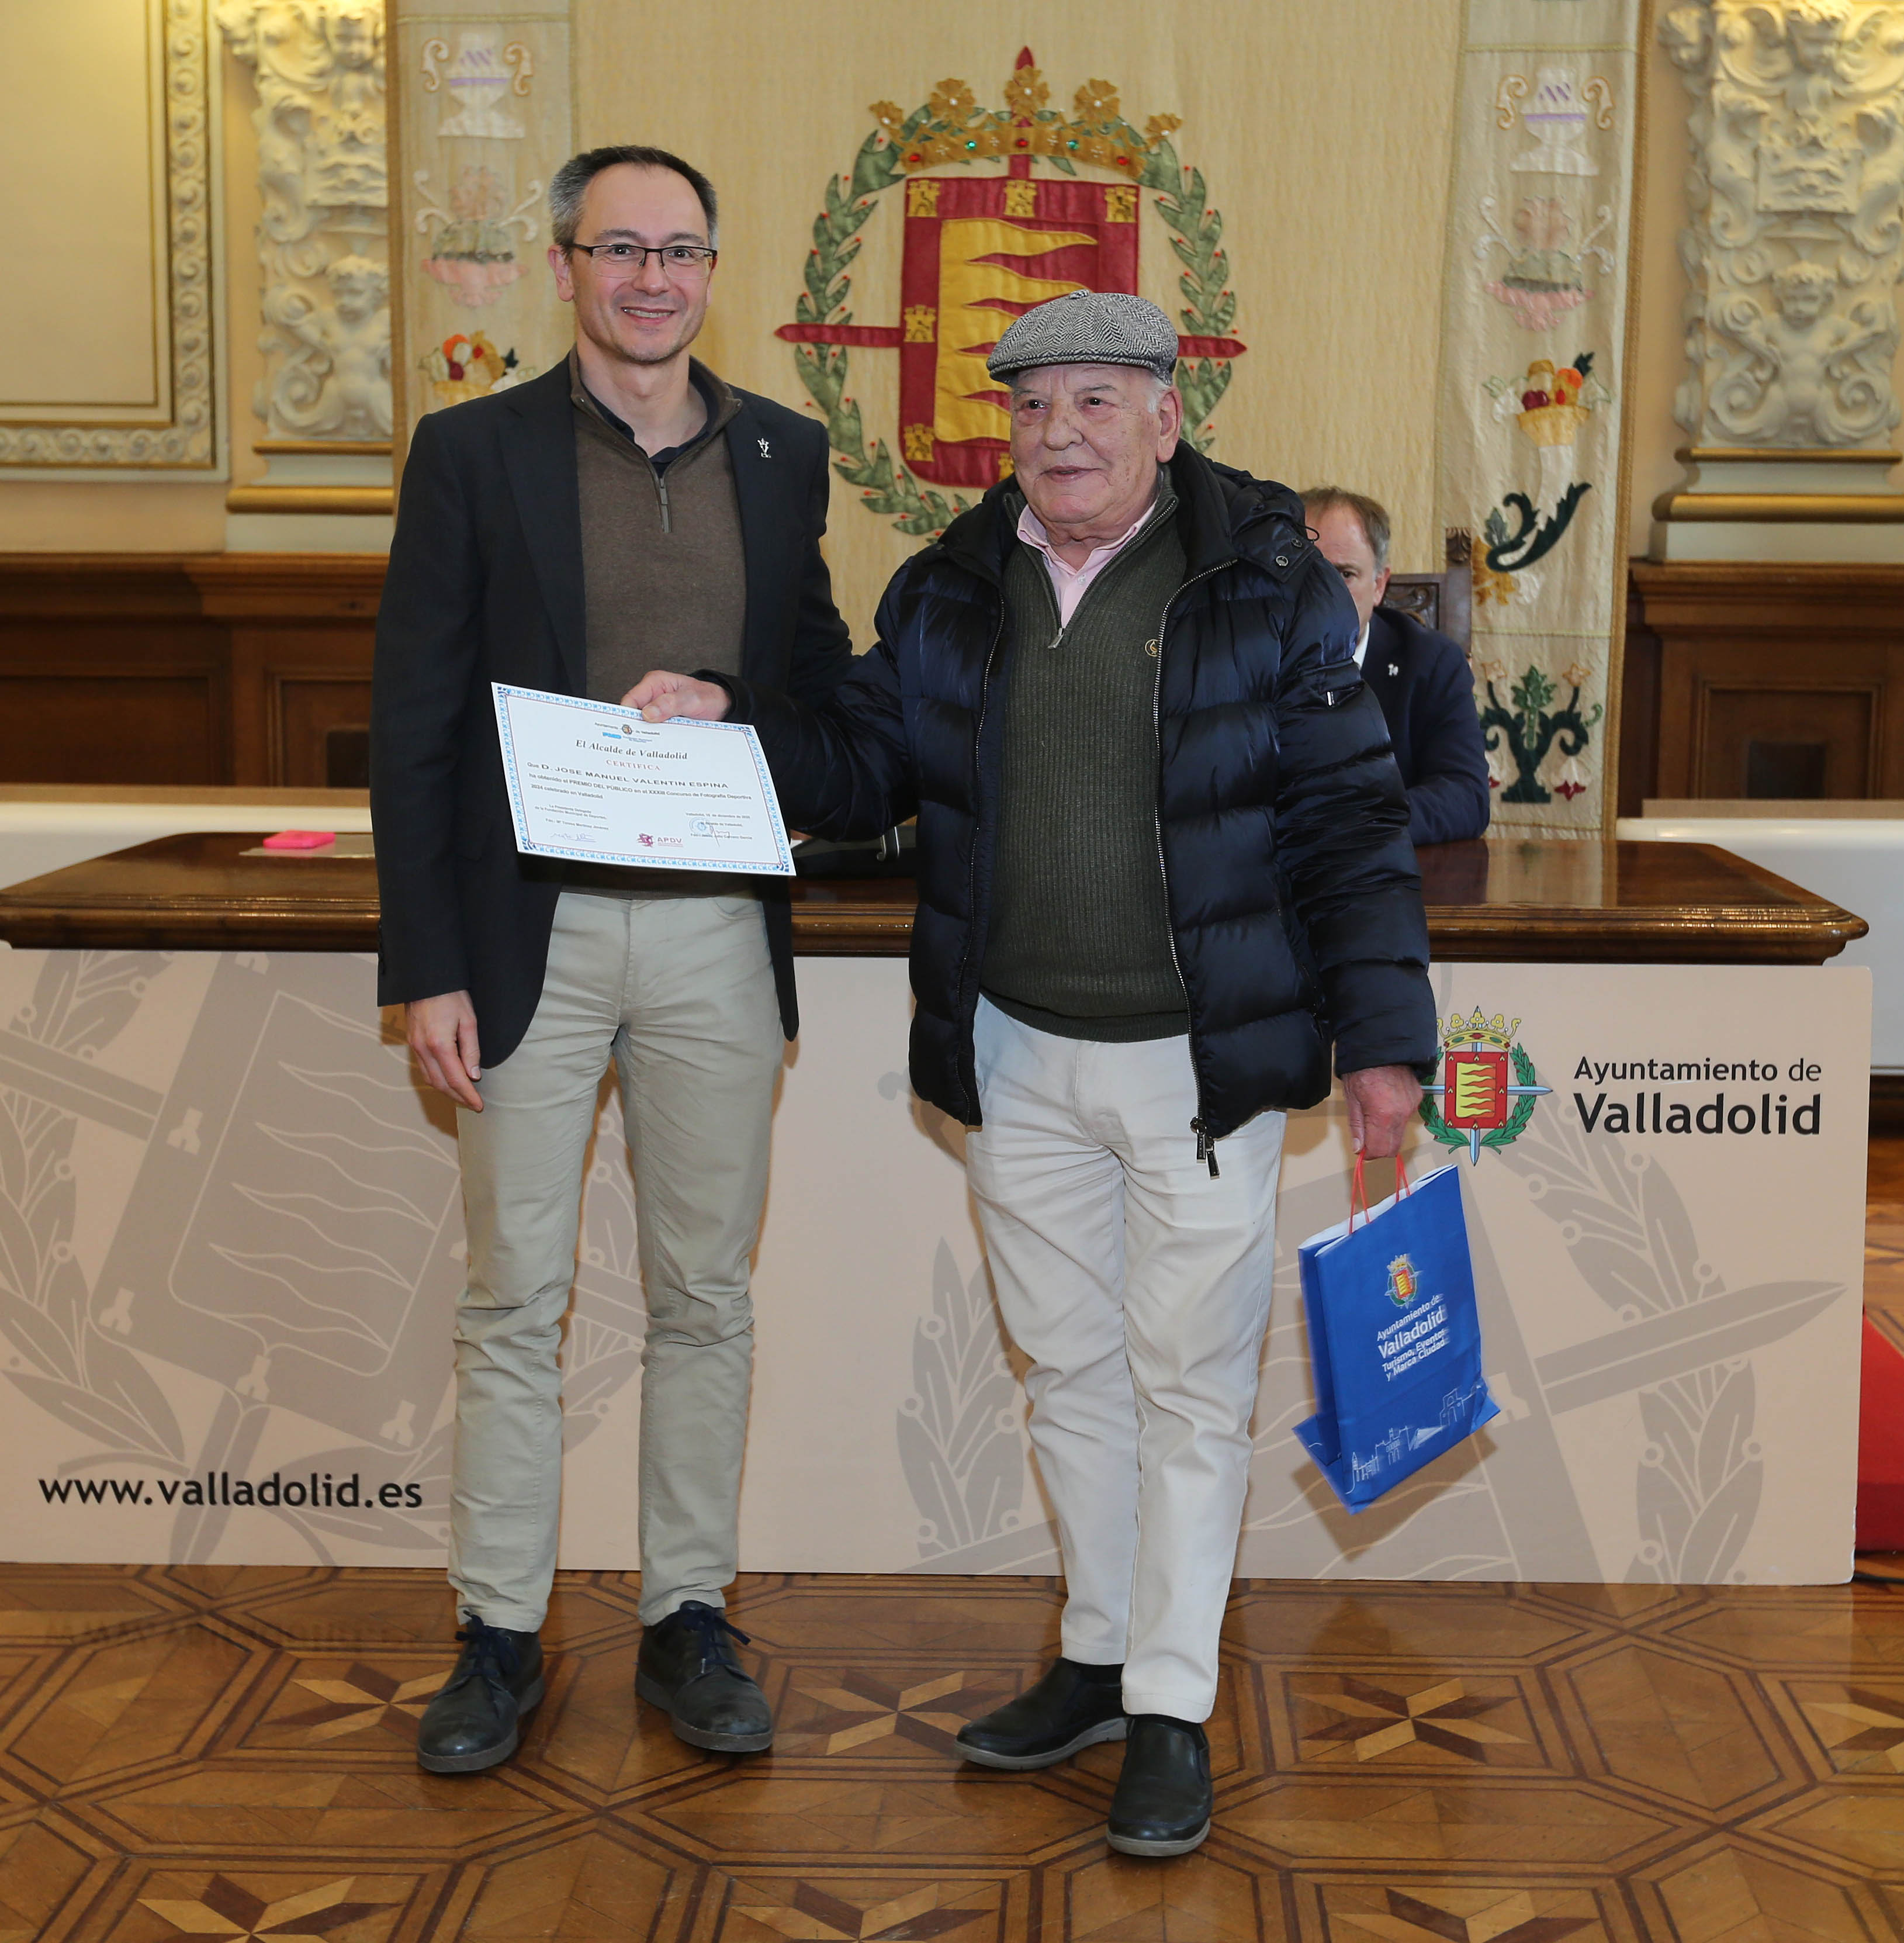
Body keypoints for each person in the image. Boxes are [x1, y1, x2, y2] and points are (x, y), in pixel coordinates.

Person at [628, 291, 1436, 1857]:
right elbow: (868, 763)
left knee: (1189, 1389)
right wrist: (737, 730)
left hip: (1196, 1067)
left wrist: (1385, 1039)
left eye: (1093, 401)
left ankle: (1174, 1704)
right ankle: (1097, 1647)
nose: (1057, 431)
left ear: (1163, 416)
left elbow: (1351, 820)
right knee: (1067, 1369)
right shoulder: (949, 586)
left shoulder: (1268, 581)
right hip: (1012, 1047)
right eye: (1032, 404)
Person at [370, 144, 853, 1773]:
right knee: (516, 1298)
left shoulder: (787, 452)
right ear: (562, 264)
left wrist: (739, 713)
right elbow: (414, 725)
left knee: (704, 1293)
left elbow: (830, 696)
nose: (655, 277)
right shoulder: (471, 453)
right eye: (621, 247)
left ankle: (686, 1619)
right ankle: (499, 1632)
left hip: (718, 926)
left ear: (714, 270)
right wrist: (425, 963)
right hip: (527, 932)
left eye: (683, 250)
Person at [1301, 486, 1491, 845]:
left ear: (1379, 585)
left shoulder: (1432, 663)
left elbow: (1467, 796)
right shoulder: (1242, 658)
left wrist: (1355, 822)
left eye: (1345, 575)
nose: (1324, 593)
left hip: (1383, 882)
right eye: (1307, 573)